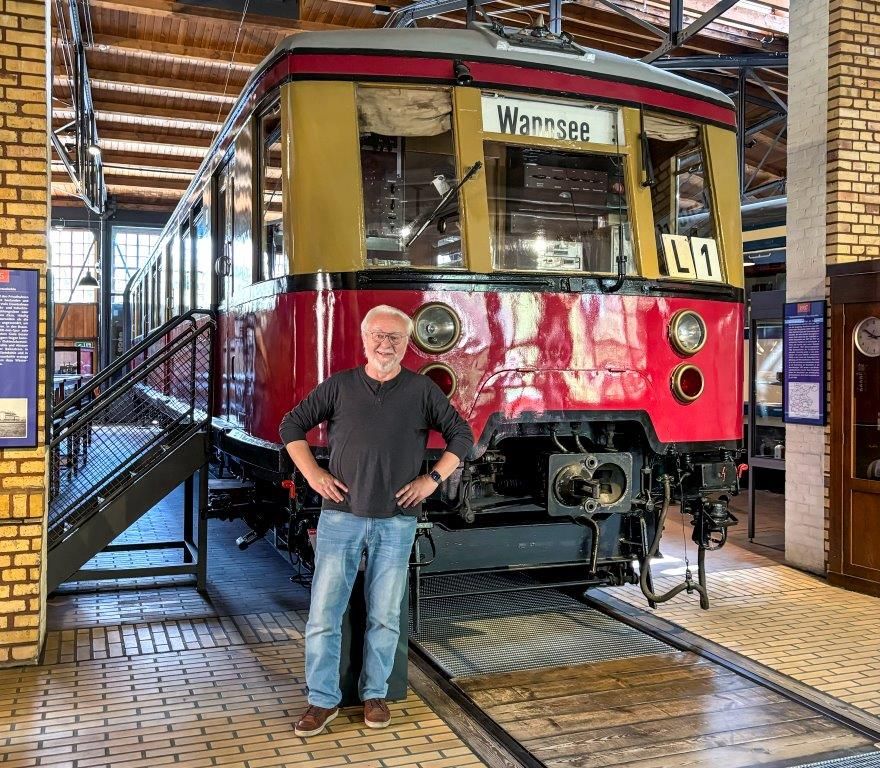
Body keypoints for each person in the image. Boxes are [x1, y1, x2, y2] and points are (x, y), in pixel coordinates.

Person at [279, 304, 474, 738]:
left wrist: (432, 479)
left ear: (407, 343)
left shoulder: (422, 391)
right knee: (324, 614)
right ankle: (321, 701)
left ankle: (375, 694)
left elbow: (463, 435)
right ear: (365, 338)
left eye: (395, 338)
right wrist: (313, 474)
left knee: (385, 614)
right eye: (378, 336)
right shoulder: (340, 386)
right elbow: (291, 426)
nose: (385, 344)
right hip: (340, 518)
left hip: (397, 520)